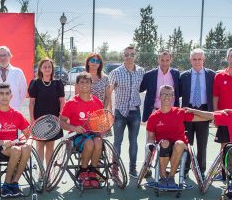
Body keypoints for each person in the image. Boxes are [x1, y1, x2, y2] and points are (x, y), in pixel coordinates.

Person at [145, 85, 209, 187]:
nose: (167, 97)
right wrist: (150, 145)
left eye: (169, 94)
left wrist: (218, 115)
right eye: (164, 94)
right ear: (159, 96)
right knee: (164, 143)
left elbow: (202, 118)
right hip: (163, 146)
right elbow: (151, 137)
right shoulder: (153, 117)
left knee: (179, 144)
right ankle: (162, 177)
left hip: (180, 145)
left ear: (173, 97)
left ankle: (171, 177)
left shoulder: (180, 112)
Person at [0, 82, 32, 198]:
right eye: (2, 94)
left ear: (11, 96)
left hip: (15, 147)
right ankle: (6, 185)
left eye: (7, 93)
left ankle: (14, 183)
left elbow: (29, 135)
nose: (4, 96)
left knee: (27, 147)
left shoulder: (17, 114)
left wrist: (28, 142)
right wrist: (2, 142)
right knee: (16, 150)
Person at [60, 72, 105, 188]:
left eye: (87, 82)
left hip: (93, 134)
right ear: (77, 85)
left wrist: (101, 129)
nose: (84, 84)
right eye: (82, 82)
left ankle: (93, 172)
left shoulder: (98, 102)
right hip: (77, 136)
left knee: (98, 141)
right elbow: (61, 122)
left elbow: (101, 122)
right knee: (89, 143)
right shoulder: (71, 103)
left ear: (91, 84)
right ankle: (83, 171)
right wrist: (73, 128)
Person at [109, 46, 145, 178]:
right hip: (120, 112)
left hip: (135, 112)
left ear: (136, 56)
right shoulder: (116, 72)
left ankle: (132, 169)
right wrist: (110, 110)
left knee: (133, 141)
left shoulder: (141, 71)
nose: (129, 57)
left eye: (132, 54)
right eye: (126, 55)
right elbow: (109, 92)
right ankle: (115, 170)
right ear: (123, 56)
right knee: (117, 142)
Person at [179, 48, 215, 174]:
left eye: (199, 59)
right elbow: (177, 95)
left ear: (204, 59)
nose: (197, 61)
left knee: (202, 143)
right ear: (190, 60)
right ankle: (185, 170)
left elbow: (215, 95)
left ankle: (201, 171)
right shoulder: (184, 76)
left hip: (203, 112)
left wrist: (214, 113)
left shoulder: (211, 75)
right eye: (194, 59)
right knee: (186, 143)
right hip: (188, 111)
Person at [28, 58, 65, 165]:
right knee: (39, 146)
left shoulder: (58, 83)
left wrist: (60, 117)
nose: (47, 69)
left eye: (49, 67)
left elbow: (62, 101)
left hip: (54, 120)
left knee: (50, 146)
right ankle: (41, 173)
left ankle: (47, 172)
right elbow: (31, 103)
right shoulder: (35, 83)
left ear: (52, 69)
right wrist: (32, 119)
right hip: (39, 120)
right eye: (45, 67)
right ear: (40, 69)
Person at [140, 50, 180, 122]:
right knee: (152, 133)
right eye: (162, 60)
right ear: (158, 60)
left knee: (170, 133)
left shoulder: (176, 74)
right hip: (154, 112)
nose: (164, 63)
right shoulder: (149, 75)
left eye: (167, 60)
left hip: (171, 112)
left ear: (171, 60)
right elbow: (140, 88)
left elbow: (178, 92)